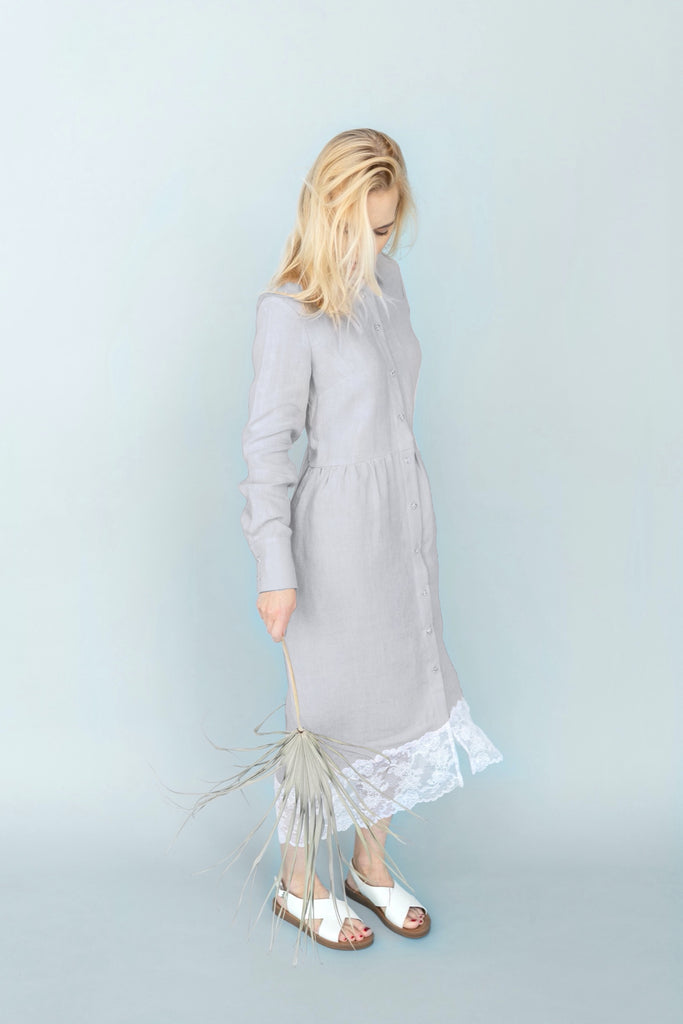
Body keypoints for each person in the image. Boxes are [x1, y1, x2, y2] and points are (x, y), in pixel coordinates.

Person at [238, 128, 503, 950]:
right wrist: (274, 567)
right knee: (327, 711)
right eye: (358, 228)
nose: (373, 245)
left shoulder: (388, 282)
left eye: (385, 228)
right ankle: (296, 882)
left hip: (403, 516)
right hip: (336, 532)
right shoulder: (289, 310)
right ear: (325, 216)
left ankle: (369, 865)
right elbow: (265, 446)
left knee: (398, 690)